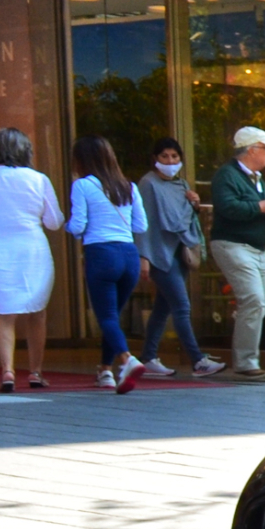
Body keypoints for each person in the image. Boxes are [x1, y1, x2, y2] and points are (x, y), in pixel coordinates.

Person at [0, 127, 63, 392]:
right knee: (37, 312)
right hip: (33, 249)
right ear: (27, 150)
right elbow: (54, 222)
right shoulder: (39, 179)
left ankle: (8, 371)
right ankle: (35, 371)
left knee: (3, 314)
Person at [66, 135, 152, 393]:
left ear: (82, 161)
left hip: (101, 254)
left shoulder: (82, 186)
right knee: (111, 316)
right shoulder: (128, 186)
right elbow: (141, 225)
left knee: (105, 316)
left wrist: (66, 224)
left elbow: (78, 226)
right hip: (128, 255)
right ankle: (105, 370)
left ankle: (127, 360)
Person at [135, 138, 223, 379]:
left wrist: (193, 204)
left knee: (163, 308)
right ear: (155, 159)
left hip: (179, 252)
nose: (171, 162)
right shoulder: (148, 184)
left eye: (175, 157)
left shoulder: (180, 184)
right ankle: (197, 360)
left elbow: (182, 217)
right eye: (165, 157)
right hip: (159, 254)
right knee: (181, 307)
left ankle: (149, 358)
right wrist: (144, 256)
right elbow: (145, 223)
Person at [207, 124, 265, 381]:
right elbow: (228, 207)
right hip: (233, 245)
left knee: (257, 304)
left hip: (256, 248)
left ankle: (247, 359)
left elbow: (248, 206)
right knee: (254, 300)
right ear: (251, 150)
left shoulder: (257, 179)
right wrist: (262, 206)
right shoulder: (226, 176)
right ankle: (245, 362)